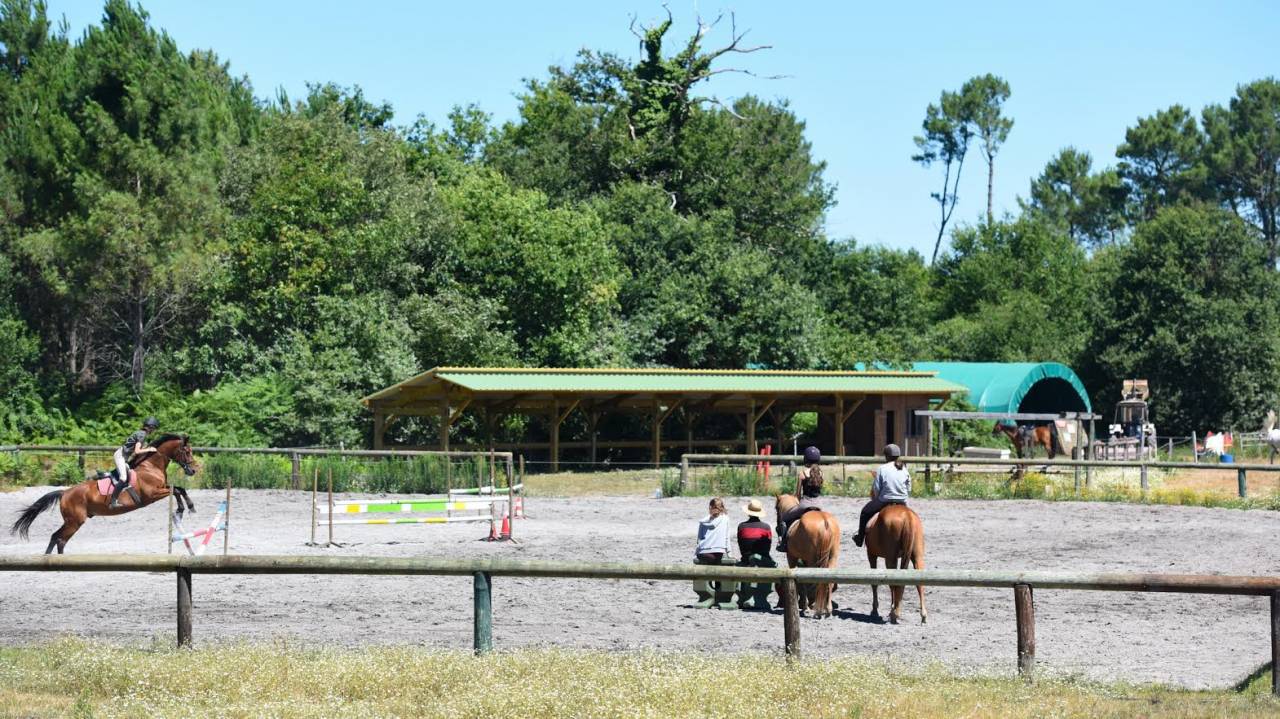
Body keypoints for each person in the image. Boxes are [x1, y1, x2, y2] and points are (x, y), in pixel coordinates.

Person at [854, 443, 911, 547]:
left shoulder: (882, 468)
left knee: (865, 512)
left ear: (887, 456)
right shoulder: (904, 469)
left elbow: (876, 489)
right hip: (903, 501)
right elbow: (909, 488)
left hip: (885, 500)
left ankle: (860, 538)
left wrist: (877, 498)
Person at [776, 445, 824, 553]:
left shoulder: (802, 474)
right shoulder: (822, 473)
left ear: (805, 459)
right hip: (819, 505)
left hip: (804, 505)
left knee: (785, 518)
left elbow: (797, 495)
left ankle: (783, 543)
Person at [110, 417, 159, 508]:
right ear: (151, 427)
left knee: (129, 473)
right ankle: (113, 501)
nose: (154, 431)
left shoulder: (141, 433)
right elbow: (137, 451)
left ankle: (105, 475)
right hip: (120, 456)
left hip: (123, 456)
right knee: (123, 478)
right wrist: (150, 449)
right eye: (154, 428)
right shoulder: (142, 435)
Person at [694, 497, 730, 564]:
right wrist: (729, 553)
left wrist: (696, 553)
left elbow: (698, 540)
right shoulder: (726, 519)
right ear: (722, 507)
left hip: (702, 551)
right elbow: (727, 538)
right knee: (716, 563)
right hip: (718, 550)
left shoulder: (702, 521)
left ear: (710, 507)